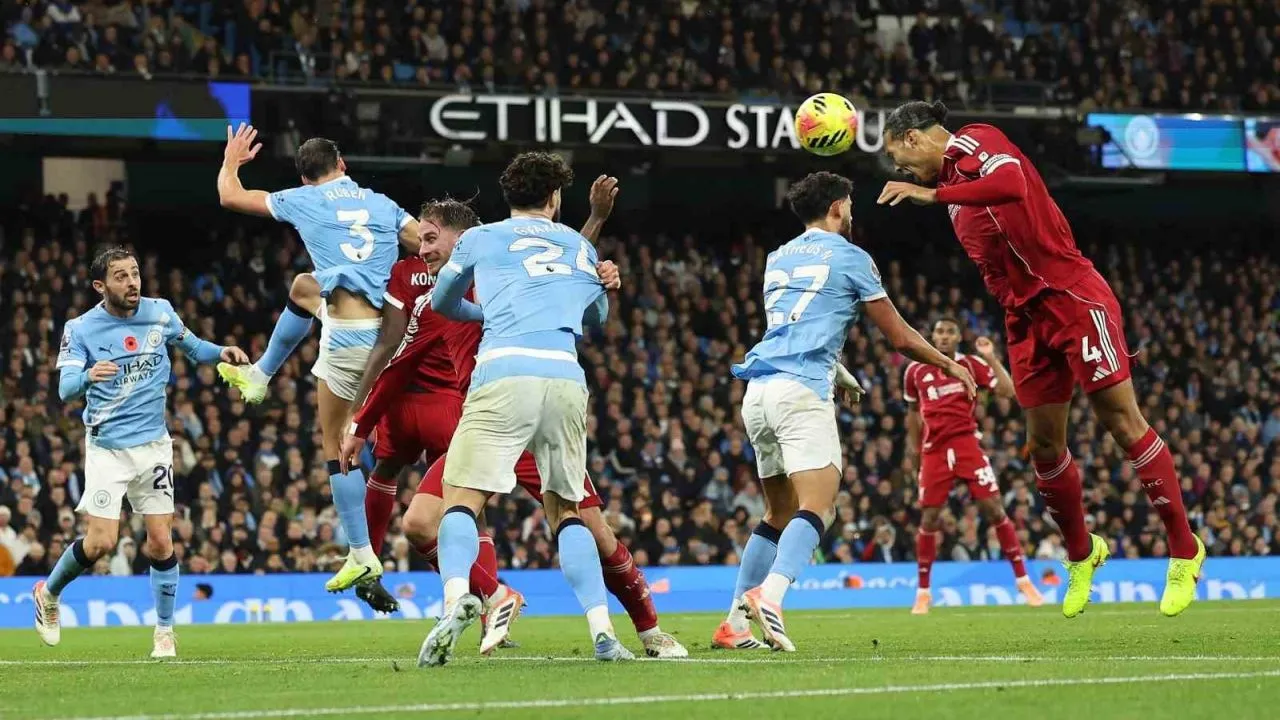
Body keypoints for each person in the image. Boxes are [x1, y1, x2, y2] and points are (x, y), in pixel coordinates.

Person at [878, 100, 1205, 618]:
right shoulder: (953, 194)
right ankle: (1082, 553)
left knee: (1121, 422)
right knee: (1044, 445)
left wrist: (934, 193)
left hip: (1071, 296)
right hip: (1025, 320)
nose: (902, 170)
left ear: (913, 138)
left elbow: (1011, 184)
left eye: (899, 158)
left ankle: (1184, 550)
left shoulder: (975, 141)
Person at [341, 194, 687, 659]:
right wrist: (360, 426)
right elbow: (397, 369)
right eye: (420, 241)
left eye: (431, 239)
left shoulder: (507, 279)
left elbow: (562, 265)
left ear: (465, 239)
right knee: (420, 523)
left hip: (531, 417)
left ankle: (649, 631)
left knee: (596, 531)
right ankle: (491, 597)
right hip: (489, 422)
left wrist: (598, 262)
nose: (422, 251)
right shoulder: (433, 305)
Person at [720, 171, 975, 652]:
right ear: (838, 207)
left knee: (778, 512)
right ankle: (770, 595)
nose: (853, 213)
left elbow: (793, 330)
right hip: (800, 394)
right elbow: (899, 337)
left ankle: (734, 623)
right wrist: (949, 364)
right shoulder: (851, 256)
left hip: (758, 393)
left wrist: (838, 371)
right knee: (820, 506)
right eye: (851, 206)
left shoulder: (778, 257)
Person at [417, 152, 631, 666]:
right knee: (566, 510)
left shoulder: (480, 238)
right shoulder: (579, 245)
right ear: (554, 198)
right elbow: (597, 315)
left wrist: (485, 311)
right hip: (564, 377)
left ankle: (456, 600)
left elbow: (443, 302)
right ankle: (603, 631)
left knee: (461, 500)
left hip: (503, 370)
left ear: (507, 196)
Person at [214, 123, 419, 595]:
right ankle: (260, 374)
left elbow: (230, 195)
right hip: (393, 338)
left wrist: (231, 161)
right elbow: (428, 243)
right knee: (305, 287)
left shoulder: (303, 199)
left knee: (336, 443)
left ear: (305, 178)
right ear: (342, 165)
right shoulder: (382, 204)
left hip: (348, 340)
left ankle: (362, 554)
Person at [34, 247, 249, 658]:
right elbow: (65, 390)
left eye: (134, 273)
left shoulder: (160, 312)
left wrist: (221, 352)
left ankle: (164, 632)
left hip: (153, 446)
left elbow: (195, 347)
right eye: (121, 276)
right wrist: (88, 376)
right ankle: (49, 593)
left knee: (161, 541)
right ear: (100, 285)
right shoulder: (80, 329)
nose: (132, 282)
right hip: (107, 449)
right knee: (100, 543)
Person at [903, 318, 1044, 614]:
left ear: (958, 337)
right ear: (932, 336)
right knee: (929, 518)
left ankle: (1023, 581)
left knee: (994, 509)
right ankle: (923, 593)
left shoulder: (971, 364)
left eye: (949, 332)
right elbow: (913, 414)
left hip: (966, 443)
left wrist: (990, 357)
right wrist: (915, 453)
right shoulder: (915, 370)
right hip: (934, 450)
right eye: (939, 331)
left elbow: (1008, 391)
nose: (943, 336)